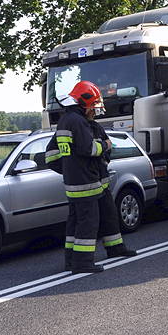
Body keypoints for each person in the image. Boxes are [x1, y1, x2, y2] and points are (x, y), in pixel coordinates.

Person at [45, 80, 136, 274]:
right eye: (93, 107)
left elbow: (53, 156)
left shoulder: (72, 121)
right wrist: (104, 146)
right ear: (84, 103)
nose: (95, 112)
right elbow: (88, 149)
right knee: (88, 222)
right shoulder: (77, 122)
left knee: (104, 216)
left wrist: (70, 169)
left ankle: (110, 249)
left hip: (90, 182)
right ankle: (82, 262)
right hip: (86, 184)